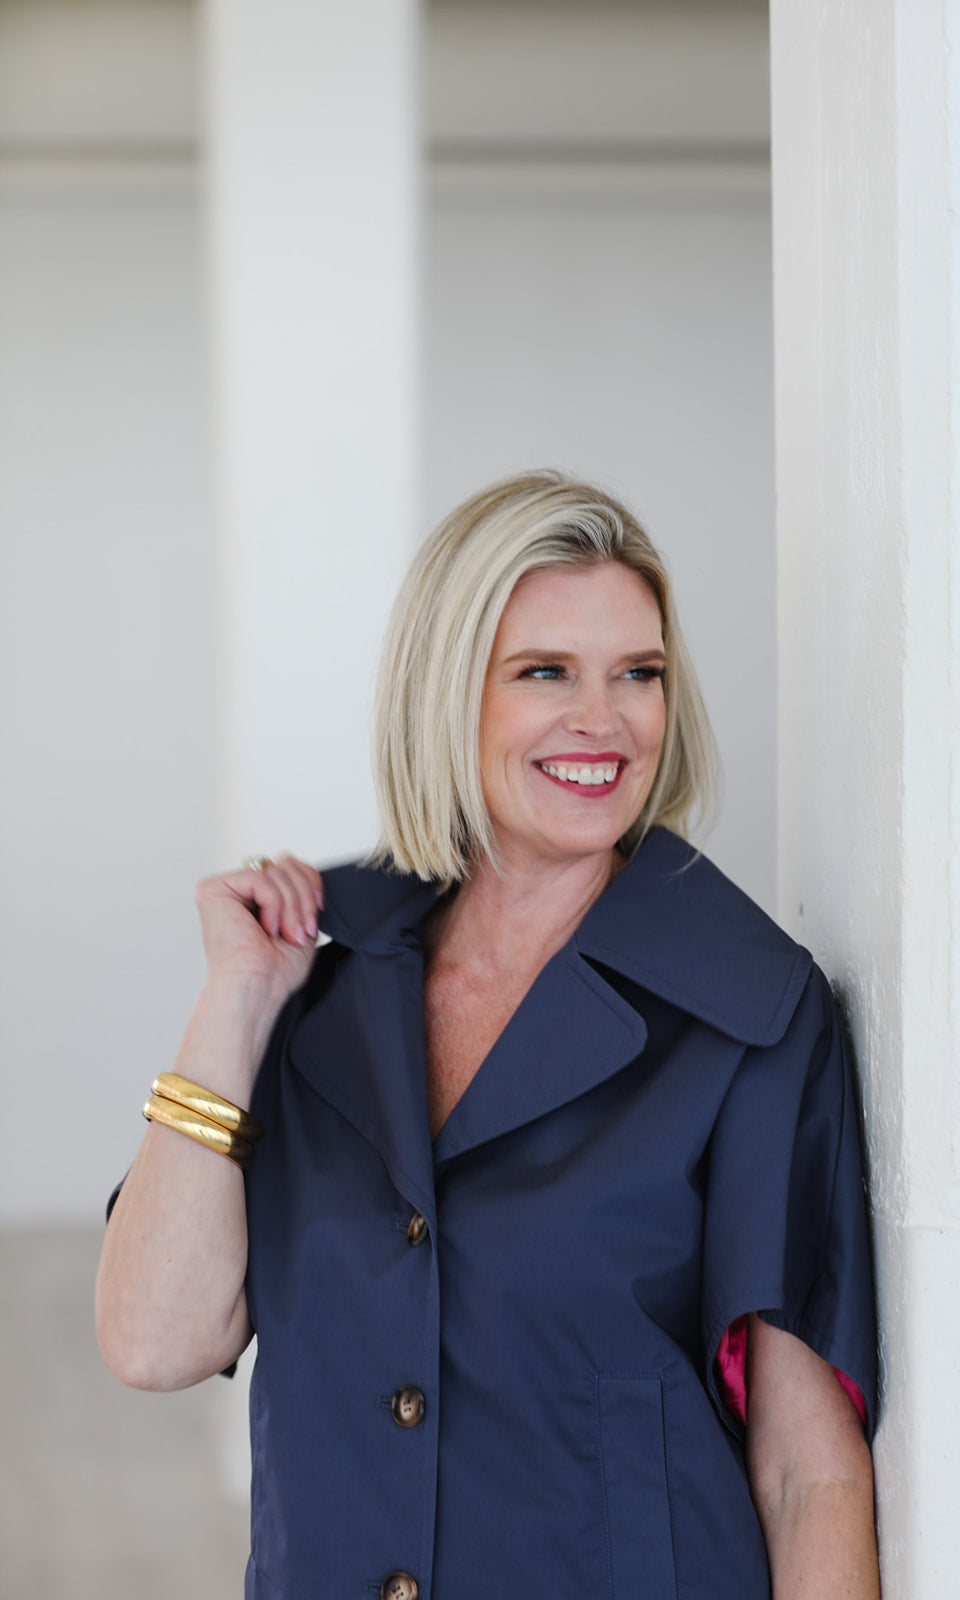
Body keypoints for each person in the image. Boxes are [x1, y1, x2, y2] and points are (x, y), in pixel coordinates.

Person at [96, 471, 879, 1599]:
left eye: (638, 675)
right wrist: (235, 1004)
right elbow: (153, 1343)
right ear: (445, 692)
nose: (602, 721)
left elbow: (809, 1470)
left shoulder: (749, 1010)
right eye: (544, 672)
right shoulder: (320, 979)